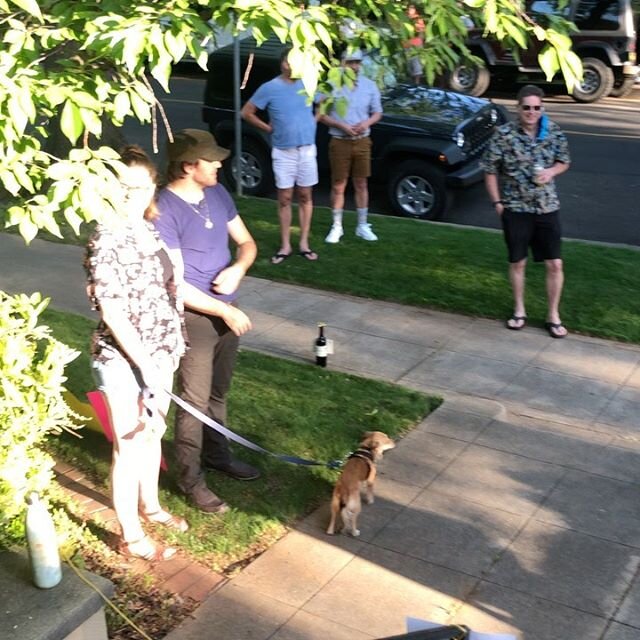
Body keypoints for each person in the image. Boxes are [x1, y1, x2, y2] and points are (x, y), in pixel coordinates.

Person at [85, 145, 188, 561]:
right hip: (122, 361)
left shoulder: (151, 230)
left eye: (140, 187)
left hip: (161, 355)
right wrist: (146, 367)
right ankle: (130, 535)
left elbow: (169, 289)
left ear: (152, 187)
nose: (132, 195)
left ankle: (152, 507)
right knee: (128, 447)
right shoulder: (104, 238)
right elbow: (112, 310)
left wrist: (172, 348)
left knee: (152, 435)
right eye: (122, 187)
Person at [155, 129, 259, 514]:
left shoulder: (217, 193)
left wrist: (237, 269)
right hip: (194, 318)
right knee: (194, 402)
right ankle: (189, 477)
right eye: (210, 159)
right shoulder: (163, 209)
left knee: (218, 394)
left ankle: (218, 456)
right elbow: (174, 283)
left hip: (227, 308)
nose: (219, 163)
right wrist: (224, 310)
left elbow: (247, 244)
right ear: (188, 165)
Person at [482, 85, 571, 338]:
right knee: (518, 262)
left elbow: (564, 161)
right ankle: (519, 310)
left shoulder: (552, 131)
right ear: (518, 108)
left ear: (542, 108)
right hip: (516, 208)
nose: (532, 112)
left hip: (547, 207)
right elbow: (489, 169)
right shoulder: (504, 135)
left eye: (536, 107)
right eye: (526, 107)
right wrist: (497, 203)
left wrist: (551, 172)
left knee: (555, 263)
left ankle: (553, 315)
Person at [241, 48, 319, 264]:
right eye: (289, 61)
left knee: (305, 195)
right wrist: (266, 128)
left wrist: (316, 119)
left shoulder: (309, 84)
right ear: (282, 63)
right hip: (283, 151)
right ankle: (285, 245)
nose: (292, 66)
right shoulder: (270, 88)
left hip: (307, 149)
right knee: (284, 198)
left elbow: (325, 102)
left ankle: (303, 243)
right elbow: (246, 112)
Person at [319, 50, 383, 243]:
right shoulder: (331, 85)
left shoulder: (369, 86)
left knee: (361, 183)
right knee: (339, 185)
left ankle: (362, 225)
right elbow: (321, 114)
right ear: (342, 64)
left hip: (362, 140)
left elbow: (378, 112)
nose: (355, 66)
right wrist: (341, 126)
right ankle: (336, 226)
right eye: (350, 62)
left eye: (357, 63)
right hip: (339, 141)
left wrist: (366, 123)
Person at [404, 4, 425, 85]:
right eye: (409, 8)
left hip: (415, 46)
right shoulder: (404, 17)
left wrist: (416, 44)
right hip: (405, 45)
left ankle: (417, 84)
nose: (410, 10)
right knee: (408, 66)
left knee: (417, 67)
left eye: (412, 8)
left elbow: (421, 34)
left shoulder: (418, 19)